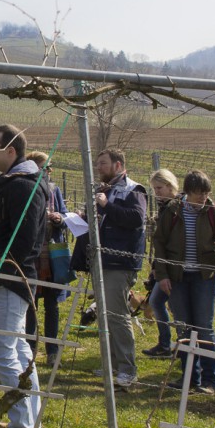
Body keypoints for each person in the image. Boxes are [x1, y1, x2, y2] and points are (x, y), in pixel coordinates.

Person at [0, 124, 48, 428]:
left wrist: (1, 269)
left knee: (3, 350)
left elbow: (26, 239)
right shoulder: (16, 183)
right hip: (4, 276)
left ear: (11, 151)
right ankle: (30, 421)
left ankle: (22, 424)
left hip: (10, 277)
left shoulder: (23, 186)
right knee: (18, 348)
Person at [154, 170, 215, 395]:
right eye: (199, 194)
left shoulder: (213, 211)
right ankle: (189, 377)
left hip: (204, 277)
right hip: (178, 278)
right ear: (187, 192)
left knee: (204, 327)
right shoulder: (172, 211)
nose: (203, 199)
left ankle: (210, 379)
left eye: (206, 193)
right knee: (183, 328)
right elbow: (160, 242)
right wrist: (162, 275)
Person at [87, 149, 148, 391]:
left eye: (103, 163)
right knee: (106, 314)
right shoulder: (106, 189)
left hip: (120, 262)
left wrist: (107, 206)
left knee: (118, 315)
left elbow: (136, 218)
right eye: (98, 163)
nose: (99, 167)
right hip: (102, 259)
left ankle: (127, 370)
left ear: (118, 165)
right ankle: (112, 363)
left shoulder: (135, 190)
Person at [24, 151, 68, 366]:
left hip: (52, 256)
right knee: (30, 306)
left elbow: (65, 216)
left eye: (50, 168)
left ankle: (52, 352)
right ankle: (29, 351)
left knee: (52, 305)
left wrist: (59, 218)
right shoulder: (26, 190)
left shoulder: (54, 190)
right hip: (32, 255)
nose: (49, 172)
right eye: (45, 167)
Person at [143, 169, 180, 358]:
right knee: (157, 302)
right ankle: (166, 344)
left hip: (174, 268)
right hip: (163, 266)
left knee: (173, 307)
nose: (157, 192)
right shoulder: (164, 206)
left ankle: (177, 346)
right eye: (154, 189)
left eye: (159, 188)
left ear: (170, 185)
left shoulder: (176, 206)